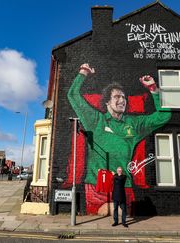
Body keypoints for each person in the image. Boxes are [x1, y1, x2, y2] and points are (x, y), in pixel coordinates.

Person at [67, 63, 172, 214]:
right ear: (107, 102)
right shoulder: (95, 120)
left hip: (124, 185)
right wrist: (83, 73)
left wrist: (153, 90)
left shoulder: (134, 124)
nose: (122, 100)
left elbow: (164, 116)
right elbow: (72, 95)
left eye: (123, 97)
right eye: (117, 97)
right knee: (103, 219)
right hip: (96, 186)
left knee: (121, 217)